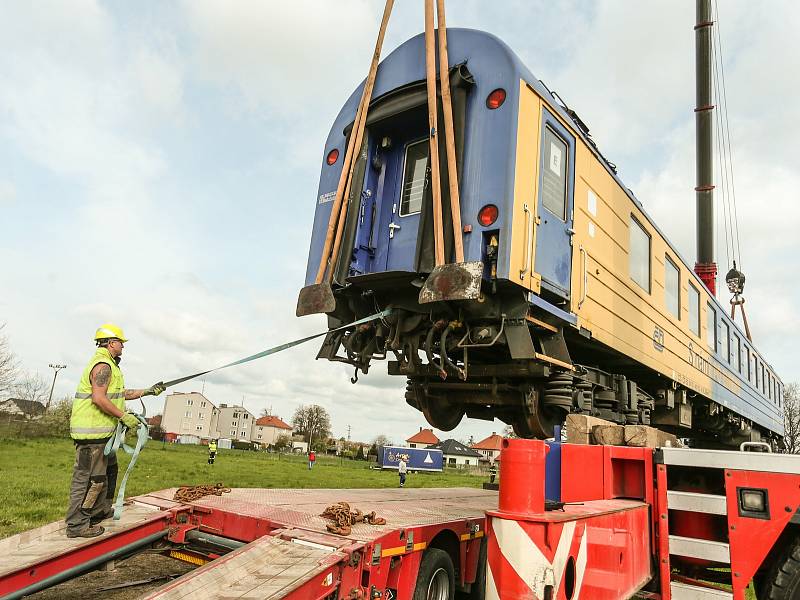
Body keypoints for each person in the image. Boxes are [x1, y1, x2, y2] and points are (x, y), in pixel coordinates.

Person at [65, 324, 165, 538]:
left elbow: (120, 394)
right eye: (121, 342)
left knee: (109, 471)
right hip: (91, 436)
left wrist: (146, 392)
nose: (123, 346)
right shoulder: (103, 366)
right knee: (90, 480)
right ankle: (77, 525)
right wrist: (123, 416)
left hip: (103, 435)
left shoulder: (110, 366)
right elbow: (98, 398)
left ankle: (100, 510)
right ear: (111, 343)